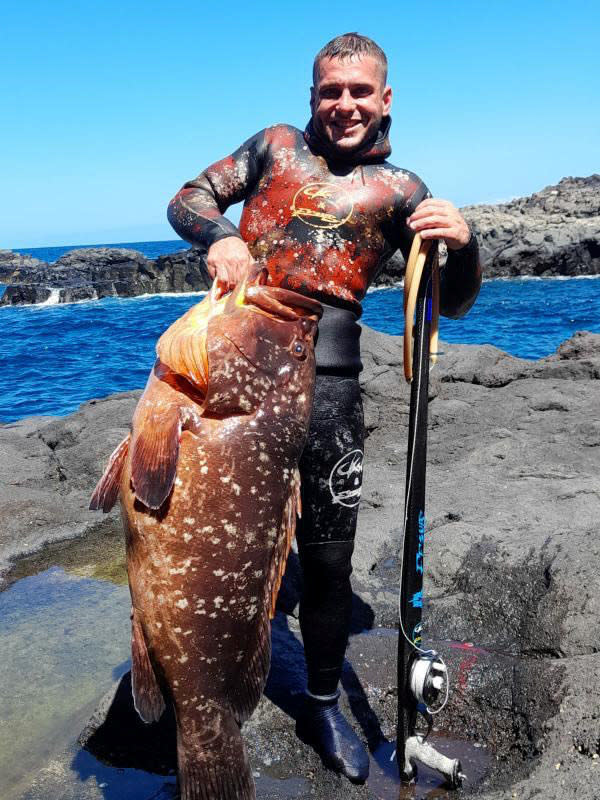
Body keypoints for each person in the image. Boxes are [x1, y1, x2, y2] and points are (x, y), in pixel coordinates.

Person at [167, 32, 482, 785]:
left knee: (330, 557)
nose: (343, 105)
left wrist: (464, 244)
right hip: (241, 366)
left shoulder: (403, 191)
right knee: (222, 536)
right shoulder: (274, 147)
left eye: (358, 92)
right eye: (329, 91)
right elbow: (189, 199)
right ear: (313, 95)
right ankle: (204, 683)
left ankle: (320, 701)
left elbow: (456, 303)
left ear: (385, 99)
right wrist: (220, 240)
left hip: (333, 386)